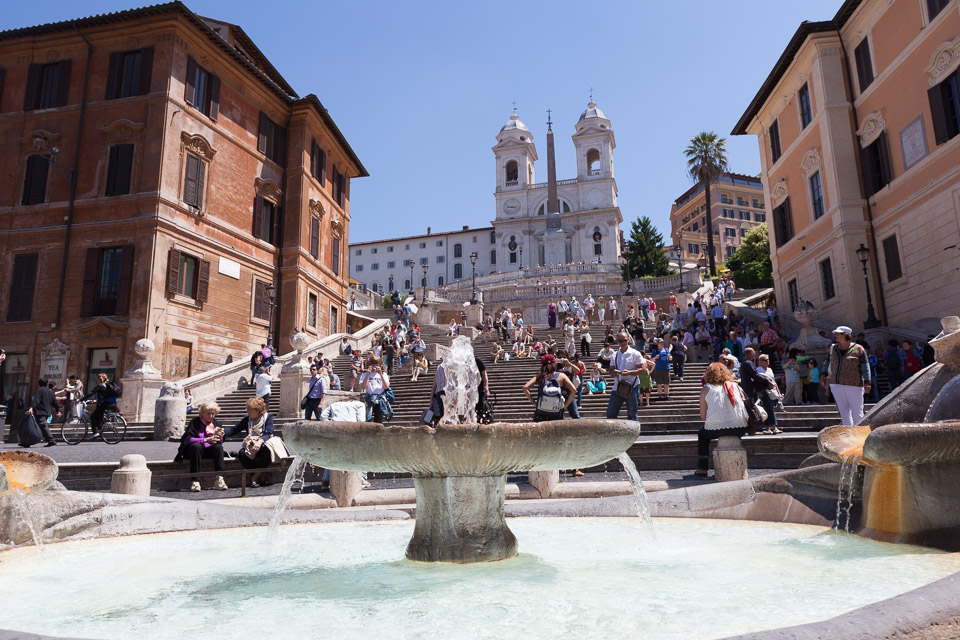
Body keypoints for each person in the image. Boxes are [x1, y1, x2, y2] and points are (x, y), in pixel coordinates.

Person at [695, 362, 749, 477]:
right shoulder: (735, 386)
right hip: (740, 428)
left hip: (716, 429)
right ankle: (738, 464)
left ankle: (702, 468)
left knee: (702, 434)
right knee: (734, 426)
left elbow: (703, 416)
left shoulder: (706, 389)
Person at [227, 397, 288, 487]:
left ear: (257, 410)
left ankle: (254, 478)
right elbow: (233, 430)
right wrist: (221, 431)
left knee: (266, 451)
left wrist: (259, 442)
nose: (247, 411)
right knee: (241, 453)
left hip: (263, 443)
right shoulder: (247, 419)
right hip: (250, 445)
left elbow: (268, 432)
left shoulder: (268, 417)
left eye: (249, 409)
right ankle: (261, 477)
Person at [175, 402, 228, 492]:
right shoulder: (194, 422)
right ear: (202, 414)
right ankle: (195, 481)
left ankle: (219, 478)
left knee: (219, 447)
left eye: (213, 414)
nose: (211, 416)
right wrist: (205, 440)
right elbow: (187, 440)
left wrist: (220, 437)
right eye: (208, 414)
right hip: (195, 451)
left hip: (209, 450)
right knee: (196, 446)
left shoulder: (216, 423)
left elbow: (220, 442)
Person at [824, 326, 871, 426]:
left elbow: (865, 366)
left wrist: (867, 381)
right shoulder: (833, 348)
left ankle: (859, 435)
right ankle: (848, 435)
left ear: (846, 335)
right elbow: (827, 362)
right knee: (844, 414)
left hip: (854, 385)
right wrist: (823, 375)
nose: (835, 335)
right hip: (836, 385)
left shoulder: (859, 349)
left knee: (857, 412)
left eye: (838, 333)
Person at [523, 354, 577, 422]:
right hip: (557, 411)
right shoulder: (561, 376)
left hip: (541, 411)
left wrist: (534, 402)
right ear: (554, 364)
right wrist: (565, 406)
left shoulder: (540, 377)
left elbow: (525, 388)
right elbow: (574, 390)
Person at [606, 331, 646, 421]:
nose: (623, 343)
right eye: (620, 341)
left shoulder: (635, 353)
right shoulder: (615, 355)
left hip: (632, 386)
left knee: (632, 414)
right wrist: (614, 373)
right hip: (618, 387)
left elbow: (643, 369)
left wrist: (629, 372)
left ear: (628, 340)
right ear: (617, 341)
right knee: (610, 413)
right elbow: (611, 370)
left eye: (624, 340)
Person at [25, 378, 60, 447]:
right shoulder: (51, 391)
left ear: (39, 384)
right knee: (37, 426)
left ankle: (51, 440)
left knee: (41, 426)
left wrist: (31, 407)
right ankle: (28, 441)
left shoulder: (39, 390)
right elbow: (55, 402)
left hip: (40, 411)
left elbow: (36, 400)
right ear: (47, 384)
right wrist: (58, 410)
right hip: (47, 412)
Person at [756, 354, 782, 434]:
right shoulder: (758, 370)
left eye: (768, 359)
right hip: (765, 392)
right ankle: (774, 426)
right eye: (765, 360)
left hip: (772, 392)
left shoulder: (770, 370)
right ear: (760, 362)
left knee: (769, 409)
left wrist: (779, 392)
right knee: (770, 408)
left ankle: (767, 428)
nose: (767, 361)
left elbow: (774, 382)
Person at [359, 356, 390, 423]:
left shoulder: (384, 374)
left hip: (380, 400)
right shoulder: (364, 375)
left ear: (380, 365)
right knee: (368, 419)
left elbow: (386, 387)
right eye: (373, 365)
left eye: (376, 365)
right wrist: (368, 374)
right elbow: (363, 387)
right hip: (369, 400)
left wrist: (380, 374)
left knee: (379, 420)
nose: (374, 367)